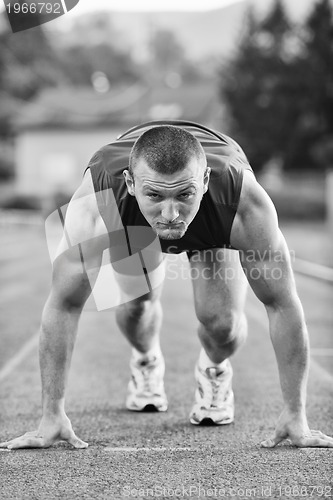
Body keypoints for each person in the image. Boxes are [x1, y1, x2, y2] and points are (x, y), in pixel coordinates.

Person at [1, 120, 332, 450]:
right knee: (135, 308)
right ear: (130, 183)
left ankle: (214, 368)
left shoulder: (243, 203)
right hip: (132, 223)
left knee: (223, 326)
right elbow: (64, 303)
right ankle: (146, 361)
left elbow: (282, 303)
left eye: (183, 195)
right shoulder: (96, 204)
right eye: (156, 195)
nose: (171, 213)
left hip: (211, 219)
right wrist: (51, 414)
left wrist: (296, 413)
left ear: (204, 181)